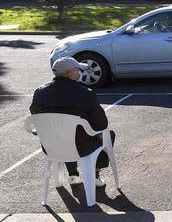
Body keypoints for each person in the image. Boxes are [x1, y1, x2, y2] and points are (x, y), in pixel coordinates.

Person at [29, 57, 114, 187]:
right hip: (81, 147)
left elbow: (35, 115)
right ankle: (95, 175)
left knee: (64, 134)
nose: (80, 72)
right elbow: (101, 125)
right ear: (69, 73)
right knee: (108, 135)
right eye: (77, 70)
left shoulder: (39, 92)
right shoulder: (86, 93)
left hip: (51, 146)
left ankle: (73, 174)